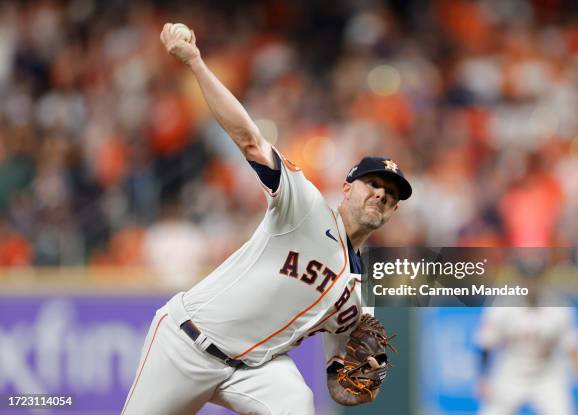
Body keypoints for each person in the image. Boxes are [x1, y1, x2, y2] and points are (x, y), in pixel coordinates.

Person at [121, 23, 412, 415]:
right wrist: (196, 63)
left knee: (297, 404)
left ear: (393, 211)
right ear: (347, 188)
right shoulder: (305, 206)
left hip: (254, 370)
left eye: (390, 194)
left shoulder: (360, 299)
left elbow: (342, 373)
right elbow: (249, 139)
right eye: (372, 184)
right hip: (187, 342)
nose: (381, 193)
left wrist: (356, 377)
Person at [475, 256, 578, 415]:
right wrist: (483, 377)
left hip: (546, 374)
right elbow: (486, 343)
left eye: (535, 276)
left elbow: (573, 350)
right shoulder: (502, 306)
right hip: (510, 371)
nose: (531, 282)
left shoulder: (559, 308)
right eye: (526, 276)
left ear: (543, 277)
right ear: (519, 277)